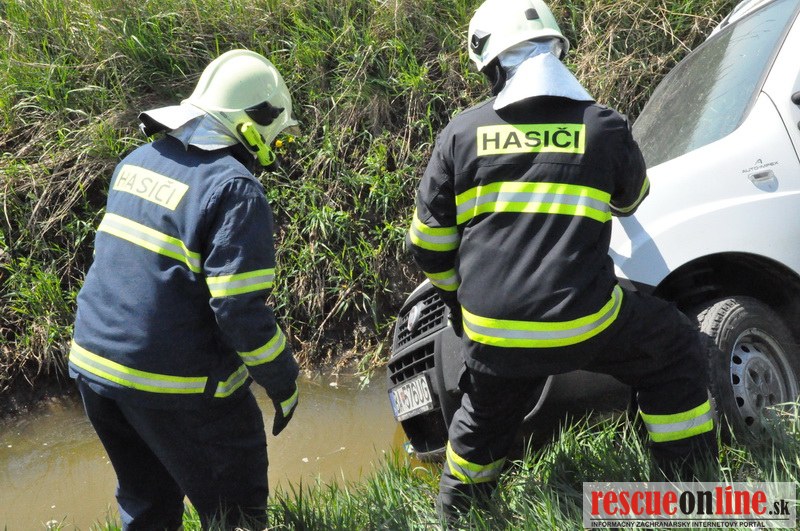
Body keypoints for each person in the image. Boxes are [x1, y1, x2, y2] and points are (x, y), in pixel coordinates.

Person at [407, 0, 718, 520]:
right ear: (557, 53)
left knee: (480, 423)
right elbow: (632, 200)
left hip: (493, 335)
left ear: (493, 66)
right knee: (676, 348)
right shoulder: (603, 127)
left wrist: (459, 306)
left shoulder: (460, 136)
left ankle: (458, 517)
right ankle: (689, 493)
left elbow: (428, 246)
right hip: (585, 321)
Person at [68, 49, 300, 530]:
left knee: (148, 507)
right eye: (276, 138)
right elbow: (238, 311)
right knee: (236, 510)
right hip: (172, 383)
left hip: (96, 368)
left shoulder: (137, 160)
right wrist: (283, 381)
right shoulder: (234, 189)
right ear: (253, 127)